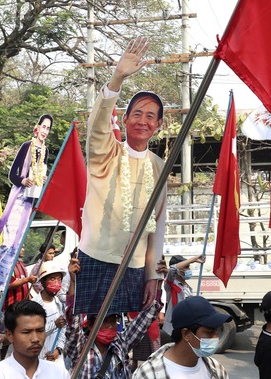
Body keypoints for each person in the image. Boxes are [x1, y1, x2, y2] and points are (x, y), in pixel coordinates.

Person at [75, 36, 167, 315]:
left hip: (136, 267)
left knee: (126, 345)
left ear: (158, 125)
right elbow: (98, 127)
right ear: (125, 120)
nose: (143, 120)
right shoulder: (107, 152)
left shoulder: (159, 165)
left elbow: (158, 224)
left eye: (151, 116)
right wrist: (117, 77)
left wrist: (153, 274)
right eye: (137, 113)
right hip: (95, 259)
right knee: (90, 341)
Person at [64, 256, 162, 379]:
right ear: (90, 325)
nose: (110, 325)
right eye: (104, 322)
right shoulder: (80, 349)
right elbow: (73, 321)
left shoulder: (121, 343)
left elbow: (146, 318)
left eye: (113, 321)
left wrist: (157, 281)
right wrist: (73, 283)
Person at [0, 115, 52, 292]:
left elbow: (41, 174)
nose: (45, 131)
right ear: (36, 128)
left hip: (31, 199)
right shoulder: (26, 146)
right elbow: (13, 175)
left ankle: (3, 280)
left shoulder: (45, 151)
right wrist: (23, 181)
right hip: (18, 197)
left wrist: (42, 179)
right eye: (43, 127)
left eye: (48, 128)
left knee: (18, 239)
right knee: (10, 238)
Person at [132, 295, 231, 379]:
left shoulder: (217, 370)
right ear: (186, 334)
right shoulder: (149, 374)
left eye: (216, 331)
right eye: (209, 332)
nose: (215, 337)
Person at [0, 299, 70, 379]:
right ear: (9, 335)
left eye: (40, 330)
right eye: (26, 332)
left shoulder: (60, 374)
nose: (35, 339)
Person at [32, 261, 66, 367]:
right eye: (52, 279)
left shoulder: (59, 303)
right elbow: (33, 332)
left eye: (59, 279)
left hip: (57, 359)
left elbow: (63, 330)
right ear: (42, 282)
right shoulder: (33, 305)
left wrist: (58, 349)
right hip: (39, 359)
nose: (56, 282)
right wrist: (54, 325)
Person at [162, 254, 204, 336]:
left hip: (187, 323)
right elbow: (172, 269)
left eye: (189, 267)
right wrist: (193, 259)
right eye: (186, 267)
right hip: (175, 325)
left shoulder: (187, 286)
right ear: (178, 270)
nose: (188, 270)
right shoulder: (170, 284)